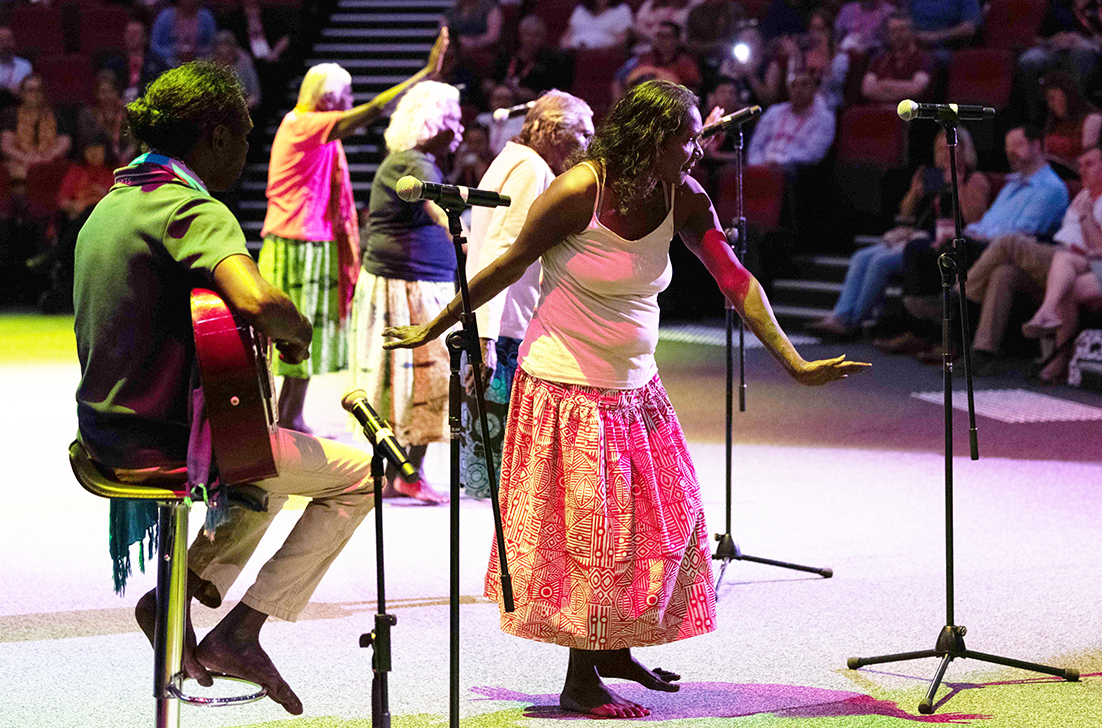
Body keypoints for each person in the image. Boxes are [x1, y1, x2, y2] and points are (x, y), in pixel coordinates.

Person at [382, 80, 868, 718]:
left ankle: (610, 649)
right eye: (688, 136)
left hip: (636, 385)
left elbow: (735, 279)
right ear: (650, 138)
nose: (699, 148)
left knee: (670, 522)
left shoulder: (684, 197)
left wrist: (794, 362)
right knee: (594, 535)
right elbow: (506, 265)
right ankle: (579, 680)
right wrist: (434, 327)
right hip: (565, 385)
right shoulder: (578, 191)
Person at [73, 61, 378, 717]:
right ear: (214, 136)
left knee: (260, 464)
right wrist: (296, 331)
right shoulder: (190, 207)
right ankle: (238, 630)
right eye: (243, 136)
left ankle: (182, 595)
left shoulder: (113, 202)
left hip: (105, 432)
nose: (247, 150)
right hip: (168, 441)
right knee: (362, 476)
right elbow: (257, 297)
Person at [259, 28, 449, 433]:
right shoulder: (304, 125)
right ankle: (286, 416)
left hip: (308, 238)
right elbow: (376, 109)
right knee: (297, 329)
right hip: (299, 241)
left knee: (305, 330)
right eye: (345, 97)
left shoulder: (311, 128)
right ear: (328, 100)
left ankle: (290, 415)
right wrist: (424, 73)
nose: (349, 104)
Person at [459, 90, 595, 499]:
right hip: (505, 328)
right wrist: (485, 337)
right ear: (554, 131)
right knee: (510, 477)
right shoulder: (531, 169)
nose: (588, 145)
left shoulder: (514, 158)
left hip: (498, 322)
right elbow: (498, 251)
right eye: (583, 134)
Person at [348, 80, 465, 504]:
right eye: (453, 119)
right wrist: (469, 242)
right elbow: (438, 210)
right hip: (405, 285)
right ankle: (404, 472)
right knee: (413, 383)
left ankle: (403, 471)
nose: (461, 128)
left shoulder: (417, 160)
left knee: (418, 384)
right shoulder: (411, 164)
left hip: (417, 281)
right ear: (431, 122)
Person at [876, 125, 1069, 360]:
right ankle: (921, 331)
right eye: (1007, 147)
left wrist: (970, 228)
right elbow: (984, 222)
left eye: (1017, 146)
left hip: (1008, 247)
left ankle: (949, 326)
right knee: (922, 249)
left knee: (954, 250)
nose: (1010, 152)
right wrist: (965, 232)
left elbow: (1022, 231)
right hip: (984, 240)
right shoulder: (1012, 184)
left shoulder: (1050, 188)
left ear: (1037, 146)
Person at [812, 127, 989, 338]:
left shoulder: (974, 178)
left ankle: (851, 322)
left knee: (881, 261)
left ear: (964, 150)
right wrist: (915, 192)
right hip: (918, 236)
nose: (944, 154)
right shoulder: (935, 176)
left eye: (950, 148)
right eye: (940, 149)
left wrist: (958, 184)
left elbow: (975, 220)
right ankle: (840, 315)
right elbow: (907, 213)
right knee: (862, 256)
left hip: (944, 242)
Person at [1018, 145, 1102, 382]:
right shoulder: (1083, 197)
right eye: (1081, 164)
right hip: (1091, 262)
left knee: (1071, 287)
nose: (1082, 170)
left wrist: (1087, 224)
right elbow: (1072, 244)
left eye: (1090, 164)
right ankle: (1048, 311)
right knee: (1063, 258)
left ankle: (1060, 361)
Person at [746, 68, 835, 173]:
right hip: (762, 168)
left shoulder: (823, 117)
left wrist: (779, 162)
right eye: (794, 85)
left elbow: (813, 154)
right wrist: (758, 164)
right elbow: (756, 145)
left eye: (804, 84)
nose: (798, 90)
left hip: (795, 173)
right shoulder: (774, 112)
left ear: (814, 89)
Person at [614, 21, 702, 99]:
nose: (662, 40)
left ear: (677, 40)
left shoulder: (686, 64)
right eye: (659, 36)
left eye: (666, 36)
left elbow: (691, 92)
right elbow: (618, 79)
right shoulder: (642, 59)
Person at [860, 11, 933, 104]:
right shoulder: (880, 58)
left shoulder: (924, 58)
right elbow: (867, 90)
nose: (898, 35)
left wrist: (884, 84)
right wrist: (901, 89)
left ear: (911, 31)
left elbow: (916, 89)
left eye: (902, 30)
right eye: (893, 31)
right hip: (878, 112)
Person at [1039, 71, 1102, 178]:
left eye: (1052, 98)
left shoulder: (1091, 120)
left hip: (1079, 177)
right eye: (1048, 100)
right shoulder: (1052, 124)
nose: (1051, 104)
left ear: (1067, 94)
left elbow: (1090, 160)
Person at [77, 70, 136, 167]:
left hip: (124, 164)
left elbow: (132, 143)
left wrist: (125, 157)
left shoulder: (126, 114)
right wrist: (106, 125)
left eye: (111, 91)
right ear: (96, 94)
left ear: (117, 92)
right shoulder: (87, 114)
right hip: (95, 164)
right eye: (103, 92)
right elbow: (89, 143)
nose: (108, 96)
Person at [149, 0, 218, 69]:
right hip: (167, 63)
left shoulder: (206, 17)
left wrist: (195, 52)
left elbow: (212, 45)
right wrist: (175, 52)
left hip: (199, 62)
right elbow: (155, 46)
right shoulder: (165, 17)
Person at [560, 0, 634, 51]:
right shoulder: (580, 9)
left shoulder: (622, 10)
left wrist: (594, 50)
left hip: (602, 56)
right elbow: (566, 37)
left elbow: (621, 42)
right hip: (573, 54)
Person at [0, 26, 32, 106]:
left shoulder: (25, 65)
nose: (6, 44)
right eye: (1, 41)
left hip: (22, 107)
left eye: (9, 40)